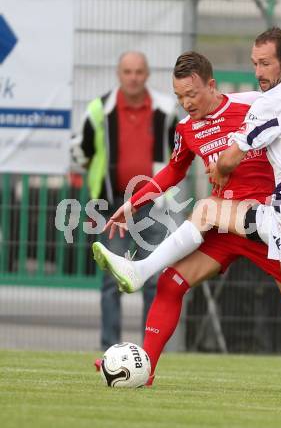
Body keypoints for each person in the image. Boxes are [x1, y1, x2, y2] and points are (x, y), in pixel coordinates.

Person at [92, 50, 281, 396]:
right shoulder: (186, 129)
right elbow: (173, 171)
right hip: (225, 228)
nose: (186, 103)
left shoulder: (254, 104)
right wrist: (133, 201)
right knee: (173, 282)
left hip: (267, 220)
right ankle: (145, 368)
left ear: (211, 85)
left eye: (192, 94)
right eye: (179, 96)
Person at [71, 51, 176, 350]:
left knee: (154, 279)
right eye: (128, 71)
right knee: (110, 280)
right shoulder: (98, 110)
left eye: (139, 71)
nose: (133, 77)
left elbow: (179, 154)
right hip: (111, 205)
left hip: (153, 205)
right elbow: (82, 151)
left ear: (147, 74)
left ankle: (149, 350)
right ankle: (109, 349)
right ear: (119, 74)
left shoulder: (166, 110)